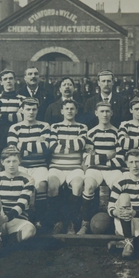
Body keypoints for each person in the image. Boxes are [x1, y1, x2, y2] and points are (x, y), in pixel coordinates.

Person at [78, 101, 124, 234]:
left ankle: (118, 225)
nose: (105, 114)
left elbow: (120, 159)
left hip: (112, 170)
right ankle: (85, 223)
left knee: (120, 186)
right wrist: (107, 156)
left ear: (112, 113)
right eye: (102, 111)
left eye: (107, 111)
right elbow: (87, 159)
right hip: (95, 170)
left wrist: (98, 159)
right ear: (96, 113)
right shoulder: (91, 133)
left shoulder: (117, 133)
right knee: (89, 185)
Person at [0, 147, 36, 255]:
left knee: (30, 230)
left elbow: (22, 205)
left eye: (14, 161)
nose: (11, 165)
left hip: (15, 220)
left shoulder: (28, 179)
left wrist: (5, 219)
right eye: (8, 161)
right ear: (2, 162)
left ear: (19, 161)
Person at [7, 97, 51, 230]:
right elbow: (12, 149)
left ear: (37, 110)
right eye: (28, 109)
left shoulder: (44, 125)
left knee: (41, 185)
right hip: (21, 166)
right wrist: (36, 142)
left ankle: (39, 220)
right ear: (22, 110)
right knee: (22, 188)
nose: (31, 112)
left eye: (34, 109)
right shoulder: (15, 127)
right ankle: (23, 219)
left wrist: (23, 145)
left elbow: (44, 149)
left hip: (39, 166)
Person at [48, 99, 88, 234]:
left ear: (76, 111)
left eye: (72, 109)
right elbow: (52, 146)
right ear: (62, 111)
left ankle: (71, 222)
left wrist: (62, 144)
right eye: (67, 109)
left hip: (75, 167)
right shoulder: (55, 127)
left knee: (77, 185)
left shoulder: (82, 127)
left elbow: (80, 144)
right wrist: (72, 145)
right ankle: (58, 221)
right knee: (52, 185)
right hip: (56, 166)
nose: (70, 111)